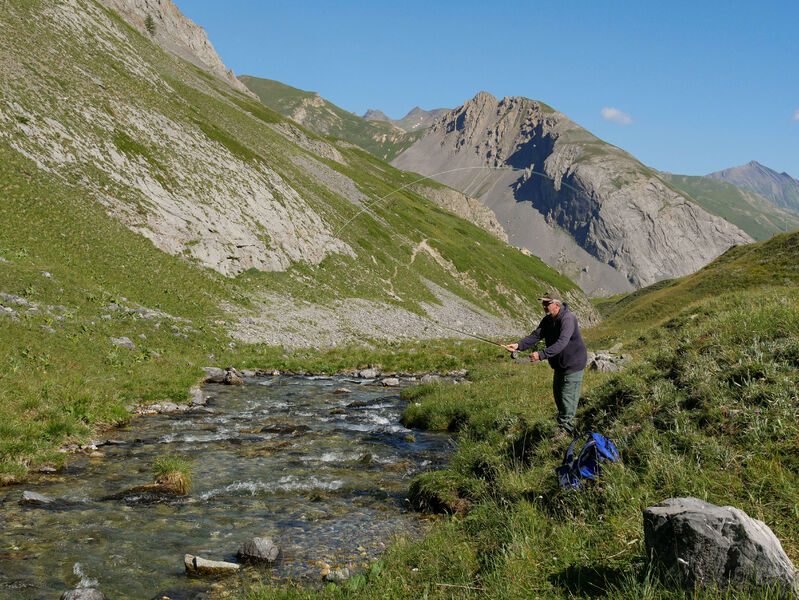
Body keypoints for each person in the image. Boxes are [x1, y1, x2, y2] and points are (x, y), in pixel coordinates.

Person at [504, 293, 588, 440]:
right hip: (560, 366)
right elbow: (535, 336)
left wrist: (542, 354)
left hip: (573, 365)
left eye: (547, 304)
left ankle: (566, 432)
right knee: (559, 396)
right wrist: (518, 346)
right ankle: (564, 425)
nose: (544, 307)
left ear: (556, 304)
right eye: (543, 304)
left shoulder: (568, 319)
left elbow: (562, 342)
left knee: (568, 397)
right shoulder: (548, 320)